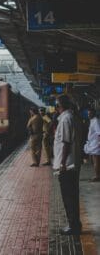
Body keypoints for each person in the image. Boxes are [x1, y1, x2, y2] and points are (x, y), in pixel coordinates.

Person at [53, 95, 82, 235]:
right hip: (72, 163)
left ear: (60, 106)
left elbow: (66, 142)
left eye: (56, 105)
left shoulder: (65, 119)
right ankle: (76, 224)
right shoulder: (71, 117)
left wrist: (63, 163)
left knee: (68, 196)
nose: (56, 108)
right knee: (72, 195)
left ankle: (73, 226)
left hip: (67, 165)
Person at [84, 108, 100, 182]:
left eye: (90, 113)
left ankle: (97, 176)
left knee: (96, 161)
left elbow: (99, 133)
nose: (88, 115)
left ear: (93, 113)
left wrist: (99, 143)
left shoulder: (96, 121)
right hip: (92, 143)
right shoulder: (92, 120)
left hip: (96, 144)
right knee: (95, 161)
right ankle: (97, 175)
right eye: (88, 114)